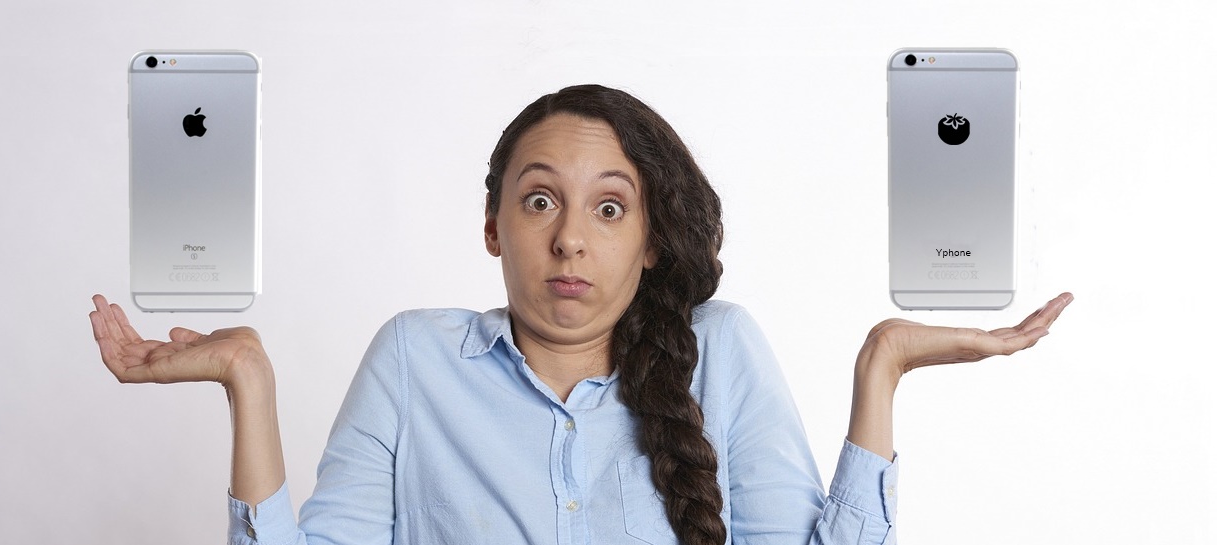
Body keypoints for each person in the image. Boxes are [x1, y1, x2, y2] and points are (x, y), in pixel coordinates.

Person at [89, 84, 1073, 545]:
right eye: (538, 199)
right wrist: (247, 381)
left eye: (609, 207)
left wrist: (882, 366)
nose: (569, 239)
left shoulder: (720, 351)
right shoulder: (412, 359)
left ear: (650, 238)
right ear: (492, 228)